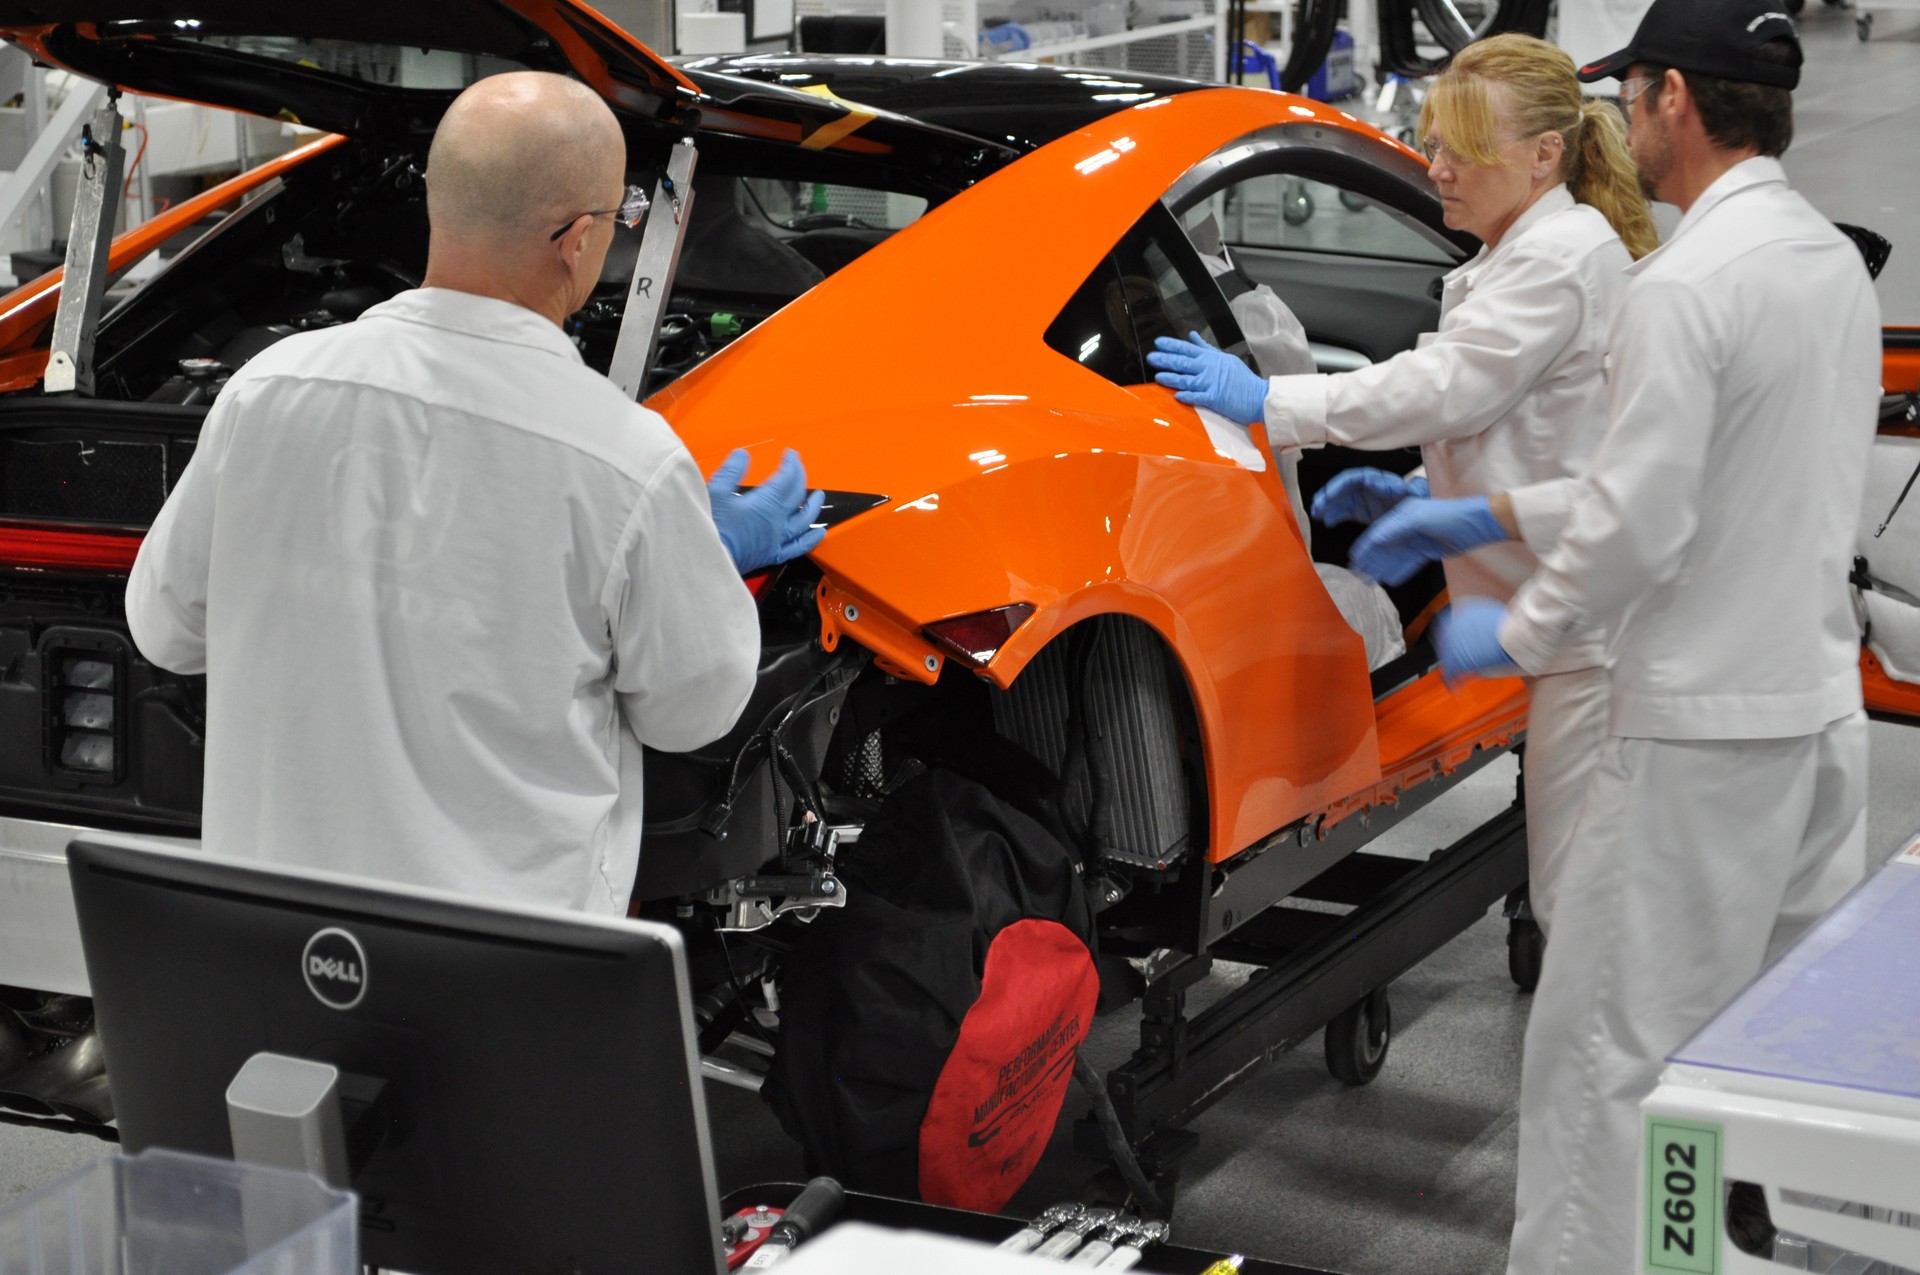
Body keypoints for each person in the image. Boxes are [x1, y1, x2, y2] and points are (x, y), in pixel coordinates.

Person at [1359, 4, 1881, 1271]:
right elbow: (1703, 484)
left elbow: (1639, 527)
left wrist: (1513, 627)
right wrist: (1475, 506)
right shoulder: (1820, 259)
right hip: (1812, 718)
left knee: (1606, 1058)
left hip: (1688, 735)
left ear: (1675, 101)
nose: (1622, 123)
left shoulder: (1686, 285)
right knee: (1753, 1050)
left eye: (1632, 96)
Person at [126, 72, 822, 915]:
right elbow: (692, 710)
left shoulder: (265, 393)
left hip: (285, 943)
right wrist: (697, 555)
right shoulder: (623, 458)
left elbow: (165, 630)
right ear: (575, 238)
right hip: (507, 970)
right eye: (619, 219)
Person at [1146, 33, 1658, 935]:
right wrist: (1425, 493)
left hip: (1589, 628)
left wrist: (1270, 400)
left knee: (1595, 900)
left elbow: (1448, 387)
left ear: (1546, 154)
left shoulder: (1560, 258)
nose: (1437, 168)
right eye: (1433, 142)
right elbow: (1525, 421)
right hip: (1563, 605)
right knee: (1583, 878)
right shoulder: (1532, 249)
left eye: (1463, 147)